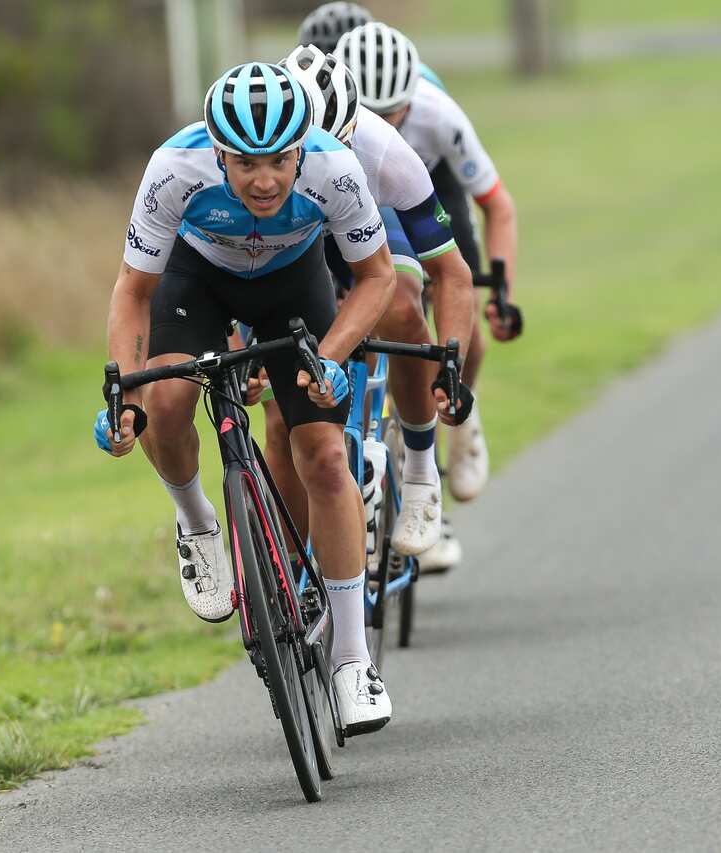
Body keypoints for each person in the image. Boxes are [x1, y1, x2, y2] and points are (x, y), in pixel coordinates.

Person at [94, 62, 422, 734]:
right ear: (217, 153)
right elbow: (133, 290)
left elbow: (376, 277)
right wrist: (124, 390)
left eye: (279, 160)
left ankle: (352, 663)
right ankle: (197, 522)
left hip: (292, 285)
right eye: (245, 163)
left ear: (302, 148)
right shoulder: (174, 167)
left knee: (327, 456)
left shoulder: (335, 169)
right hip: (198, 281)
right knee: (165, 402)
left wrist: (328, 359)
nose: (265, 179)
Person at [256, 44, 472, 572]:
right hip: (287, 238)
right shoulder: (255, 163)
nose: (327, 162)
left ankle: (420, 468)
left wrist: (450, 365)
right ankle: (298, 572)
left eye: (341, 145)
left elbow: (453, 274)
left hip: (366, 224)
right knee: (279, 410)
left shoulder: (385, 152)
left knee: (400, 306)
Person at [336, 21, 522, 512]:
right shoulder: (334, 123)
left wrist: (500, 293)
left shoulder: (439, 116)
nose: (383, 127)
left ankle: (461, 413)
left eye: (394, 115)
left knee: (458, 321)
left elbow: (497, 205)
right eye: (370, 115)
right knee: (377, 310)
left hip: (428, 189)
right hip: (358, 196)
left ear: (411, 102)